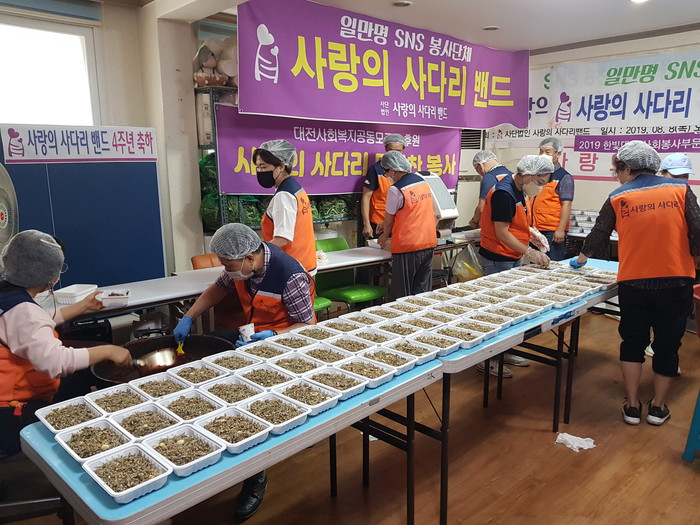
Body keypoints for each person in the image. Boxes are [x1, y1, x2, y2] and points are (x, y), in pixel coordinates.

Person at [173, 222, 315, 521]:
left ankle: (255, 477)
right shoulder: (243, 266)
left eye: (229, 265)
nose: (227, 270)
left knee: (252, 409)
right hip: (251, 339)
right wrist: (189, 316)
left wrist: (274, 336)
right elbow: (217, 289)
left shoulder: (289, 275)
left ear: (249, 258)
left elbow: (308, 326)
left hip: (284, 346)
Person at [570, 140, 700, 426]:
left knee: (632, 341)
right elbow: (698, 228)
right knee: (668, 343)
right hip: (676, 280)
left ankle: (631, 406)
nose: (617, 176)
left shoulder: (618, 196)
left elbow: (599, 234)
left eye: (617, 170)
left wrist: (579, 260)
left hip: (634, 282)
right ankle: (658, 407)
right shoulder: (680, 189)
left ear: (627, 168)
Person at [0, 230, 132, 458]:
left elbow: (35, 326)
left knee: (83, 373)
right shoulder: (24, 312)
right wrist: (108, 350)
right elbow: (55, 362)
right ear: (51, 276)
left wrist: (83, 306)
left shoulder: (7, 294)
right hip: (11, 409)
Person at [477, 155, 552, 377]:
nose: (540, 187)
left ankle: (505, 352)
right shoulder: (504, 192)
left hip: (512, 253)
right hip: (497, 256)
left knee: (510, 308)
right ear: (528, 175)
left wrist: (531, 234)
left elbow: (514, 221)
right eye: (540, 182)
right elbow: (501, 232)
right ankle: (488, 359)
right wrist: (530, 252)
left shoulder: (519, 189)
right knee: (497, 309)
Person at [377, 150, 437, 300]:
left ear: (392, 170)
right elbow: (413, 211)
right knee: (422, 292)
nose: (386, 176)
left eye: (386, 172)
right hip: (428, 242)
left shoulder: (396, 189)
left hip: (408, 246)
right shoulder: (422, 182)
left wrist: (384, 237)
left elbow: (389, 221)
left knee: (402, 294)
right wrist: (384, 224)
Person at [253, 139, 317, 275]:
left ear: (281, 166)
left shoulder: (284, 196)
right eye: (257, 167)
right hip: (304, 264)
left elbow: (282, 239)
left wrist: (258, 255)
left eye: (264, 167)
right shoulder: (296, 189)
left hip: (290, 270)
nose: (259, 171)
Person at [532, 137, 575, 261]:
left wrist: (560, 230)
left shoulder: (564, 177)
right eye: (541, 151)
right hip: (535, 228)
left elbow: (567, 205)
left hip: (551, 230)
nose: (543, 155)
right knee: (535, 264)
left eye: (547, 152)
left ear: (558, 154)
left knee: (553, 264)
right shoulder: (536, 175)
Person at [360, 133, 407, 243]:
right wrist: (367, 225)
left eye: (398, 151)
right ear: (385, 149)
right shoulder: (375, 170)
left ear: (403, 150)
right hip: (379, 223)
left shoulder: (405, 169)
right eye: (391, 150)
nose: (394, 154)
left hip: (397, 222)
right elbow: (366, 198)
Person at [467, 150, 512, 229]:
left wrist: (474, 222)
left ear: (480, 165)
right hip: (511, 225)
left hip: (495, 227)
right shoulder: (511, 174)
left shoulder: (489, 177)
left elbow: (481, 208)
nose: (480, 174)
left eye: (477, 170)